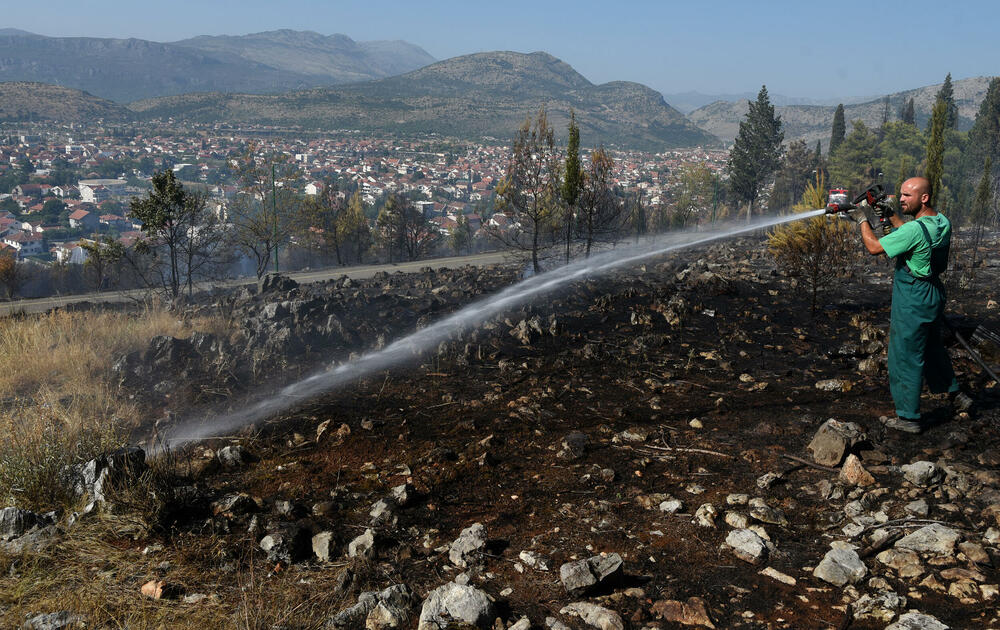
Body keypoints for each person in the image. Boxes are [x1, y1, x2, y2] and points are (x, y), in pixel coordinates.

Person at [845, 177, 972, 433]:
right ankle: (956, 395)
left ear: (923, 198)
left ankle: (908, 418)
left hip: (913, 294)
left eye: (906, 196)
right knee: (932, 346)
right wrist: (891, 216)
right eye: (900, 195)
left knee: (904, 355)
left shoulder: (912, 230)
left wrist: (861, 219)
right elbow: (916, 235)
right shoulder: (941, 221)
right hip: (933, 292)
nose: (900, 199)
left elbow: (873, 247)